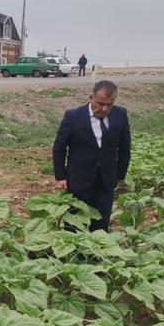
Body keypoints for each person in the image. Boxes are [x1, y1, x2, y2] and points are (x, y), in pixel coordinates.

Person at [51, 80, 131, 232]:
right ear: (90, 97)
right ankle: (74, 253)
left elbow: (125, 147)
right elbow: (59, 148)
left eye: (109, 104)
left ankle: (95, 255)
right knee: (74, 222)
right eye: (100, 103)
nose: (104, 108)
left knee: (101, 222)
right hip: (78, 179)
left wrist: (120, 176)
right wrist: (60, 177)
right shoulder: (73, 116)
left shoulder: (120, 114)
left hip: (106, 179)